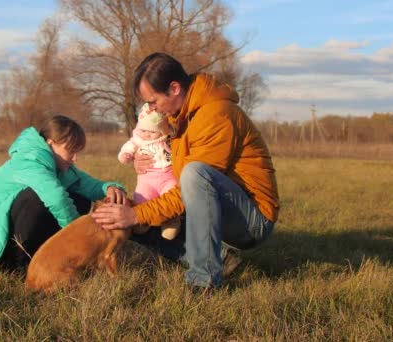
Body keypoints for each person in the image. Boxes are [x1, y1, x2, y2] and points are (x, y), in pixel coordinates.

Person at [92, 53, 279, 291]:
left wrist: (137, 215)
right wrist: (146, 162)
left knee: (192, 176)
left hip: (252, 220)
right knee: (140, 212)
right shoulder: (181, 116)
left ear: (174, 88)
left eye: (153, 101)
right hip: (216, 206)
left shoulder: (216, 115)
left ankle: (204, 282)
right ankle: (220, 258)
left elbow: (193, 182)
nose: (150, 109)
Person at [0, 115, 127, 273]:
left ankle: (62, 255)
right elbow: (56, 198)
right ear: (50, 144)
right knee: (36, 199)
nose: (75, 158)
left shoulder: (57, 165)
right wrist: (80, 235)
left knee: (77, 198)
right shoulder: (30, 161)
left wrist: (109, 187)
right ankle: (17, 265)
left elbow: (86, 183)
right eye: (70, 150)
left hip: (6, 228)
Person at [118, 102, 180, 240]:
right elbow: (129, 146)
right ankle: (142, 221)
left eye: (152, 132)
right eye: (144, 130)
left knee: (170, 194)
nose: (146, 135)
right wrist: (127, 155)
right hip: (147, 179)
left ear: (162, 130)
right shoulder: (138, 139)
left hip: (168, 176)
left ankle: (171, 221)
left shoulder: (168, 139)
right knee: (142, 197)